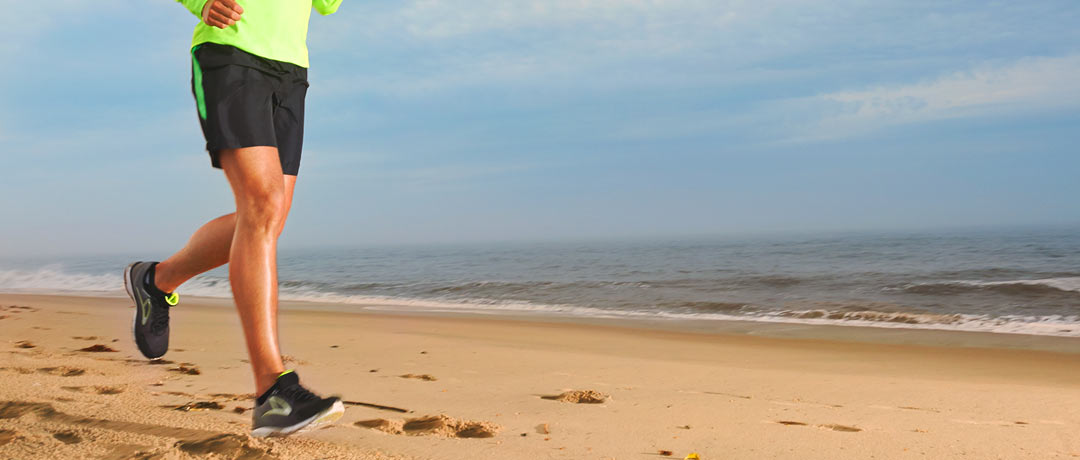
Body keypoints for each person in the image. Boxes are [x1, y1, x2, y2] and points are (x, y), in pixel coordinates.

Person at [123, 0, 345, 437]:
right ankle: (272, 392)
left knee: (268, 216)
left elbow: (327, 5)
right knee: (263, 206)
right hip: (231, 52)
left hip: (291, 69)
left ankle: (157, 280)